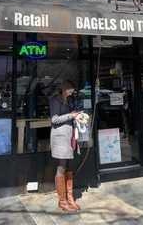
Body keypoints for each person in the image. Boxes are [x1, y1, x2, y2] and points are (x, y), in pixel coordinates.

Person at [49, 80, 81, 212]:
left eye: (72, 90)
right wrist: (71, 115)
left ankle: (70, 198)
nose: (72, 91)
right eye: (70, 89)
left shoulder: (68, 100)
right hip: (60, 137)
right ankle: (62, 201)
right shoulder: (55, 100)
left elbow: (69, 116)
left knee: (69, 166)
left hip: (69, 137)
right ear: (64, 89)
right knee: (62, 166)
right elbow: (54, 119)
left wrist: (77, 115)